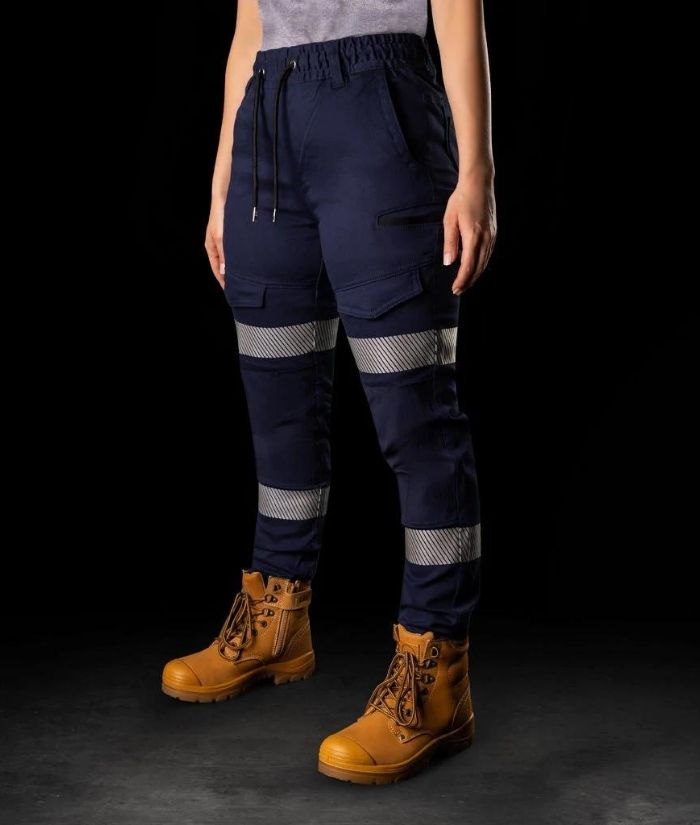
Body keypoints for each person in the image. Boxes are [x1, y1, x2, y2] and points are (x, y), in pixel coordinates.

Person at [162, 0, 496, 784]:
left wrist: (477, 169)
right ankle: (276, 616)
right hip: (268, 118)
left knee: (415, 410)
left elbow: (457, 5)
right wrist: (223, 173)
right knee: (277, 398)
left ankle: (438, 666)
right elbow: (251, 22)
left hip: (380, 106)